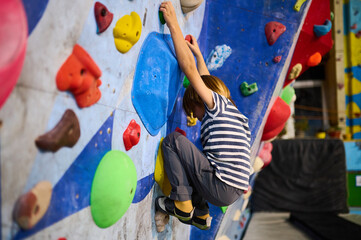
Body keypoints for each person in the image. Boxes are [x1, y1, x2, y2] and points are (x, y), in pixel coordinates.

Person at [156, 1, 251, 230]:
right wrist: (199, 55)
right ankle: (200, 213)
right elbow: (207, 82)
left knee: (173, 143)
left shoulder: (214, 105)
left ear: (201, 101)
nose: (197, 117)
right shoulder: (234, 113)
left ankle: (182, 204)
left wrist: (173, 24)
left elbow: (189, 70)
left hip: (220, 185)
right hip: (233, 190)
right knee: (198, 160)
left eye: (194, 111)